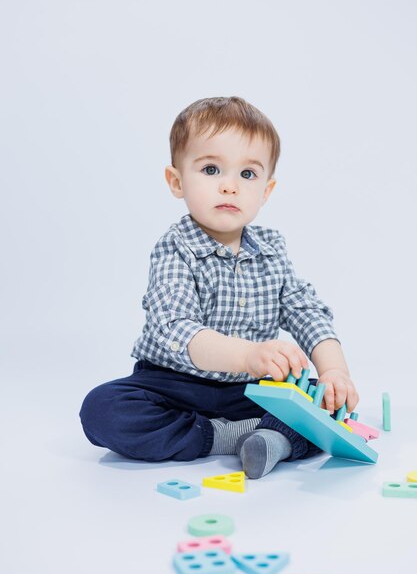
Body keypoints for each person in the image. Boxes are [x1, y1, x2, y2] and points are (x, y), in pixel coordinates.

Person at [79, 96, 359, 479]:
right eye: (211, 169)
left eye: (247, 175)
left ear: (266, 190)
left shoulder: (272, 249)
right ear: (177, 181)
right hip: (175, 384)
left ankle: (270, 440)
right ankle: (221, 437)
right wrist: (247, 355)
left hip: (252, 390)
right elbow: (175, 327)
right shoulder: (176, 247)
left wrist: (334, 372)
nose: (230, 187)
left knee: (322, 403)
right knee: (104, 409)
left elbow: (305, 309)